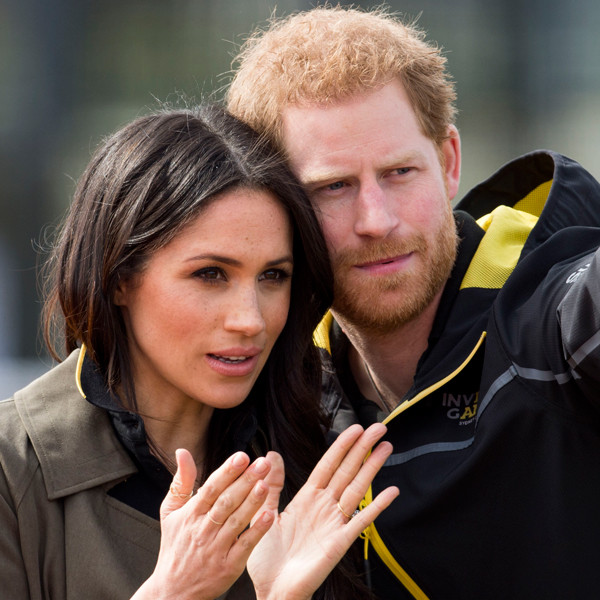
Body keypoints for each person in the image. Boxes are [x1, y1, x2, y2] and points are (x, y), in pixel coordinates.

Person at [227, 5, 600, 599]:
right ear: (276, 206)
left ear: (448, 162)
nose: (377, 220)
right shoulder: (265, 383)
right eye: (333, 187)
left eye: (400, 172)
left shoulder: (554, 309)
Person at [0, 104, 399, 600]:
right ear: (119, 277)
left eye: (273, 276)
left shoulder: (319, 451)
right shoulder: (12, 467)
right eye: (210, 274)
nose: (250, 319)